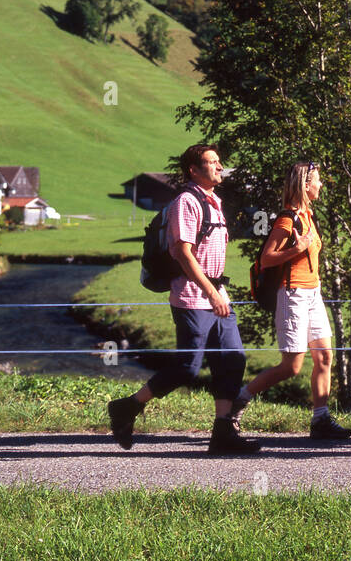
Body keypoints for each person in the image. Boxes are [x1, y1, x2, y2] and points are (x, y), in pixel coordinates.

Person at [107, 144, 260, 455]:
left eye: (219, 162)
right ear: (193, 169)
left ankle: (222, 433)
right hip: (193, 297)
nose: (220, 167)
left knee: (232, 360)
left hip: (217, 295)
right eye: (212, 162)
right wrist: (210, 292)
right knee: (188, 368)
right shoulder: (186, 203)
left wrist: (218, 293)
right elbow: (182, 254)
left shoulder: (214, 202)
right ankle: (128, 407)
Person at [227, 161, 351, 441]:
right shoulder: (288, 219)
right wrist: (296, 248)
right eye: (317, 180)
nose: (321, 185)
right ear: (305, 185)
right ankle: (238, 403)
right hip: (293, 293)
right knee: (291, 366)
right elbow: (266, 258)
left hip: (313, 293)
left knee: (324, 356)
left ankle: (321, 420)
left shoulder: (309, 215)